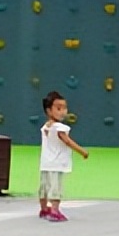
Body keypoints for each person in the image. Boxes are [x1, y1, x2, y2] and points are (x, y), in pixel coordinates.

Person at [39, 91, 89, 222]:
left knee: (44, 187)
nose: (63, 111)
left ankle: (44, 209)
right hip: (57, 163)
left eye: (64, 108)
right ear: (49, 110)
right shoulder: (60, 127)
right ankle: (54, 211)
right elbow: (67, 141)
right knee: (56, 188)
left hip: (45, 163)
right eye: (58, 108)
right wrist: (82, 151)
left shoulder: (46, 126)